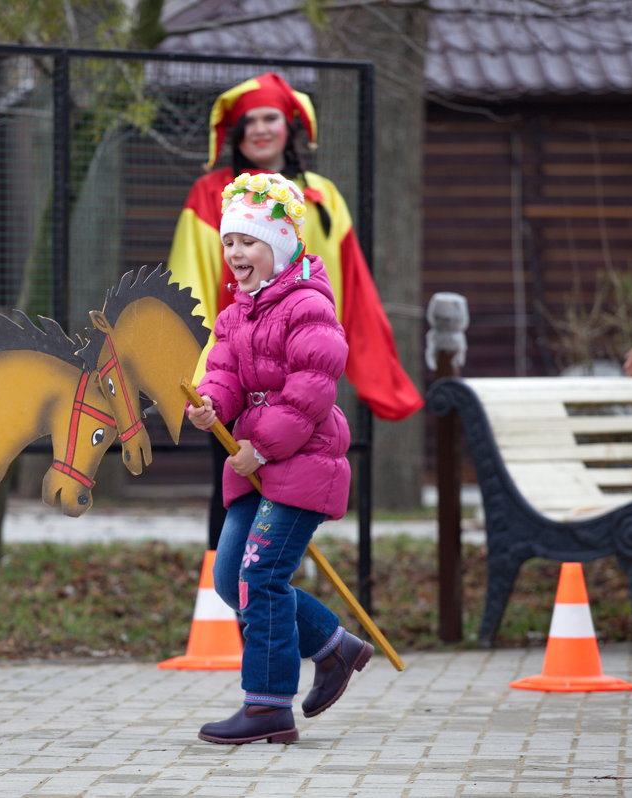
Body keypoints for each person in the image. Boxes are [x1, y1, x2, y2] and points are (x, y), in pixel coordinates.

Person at [167, 71, 423, 549]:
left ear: (290, 126)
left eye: (271, 118)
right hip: (233, 376)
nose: (260, 130)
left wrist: (354, 368)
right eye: (249, 122)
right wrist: (204, 380)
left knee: (289, 504)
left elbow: (349, 286)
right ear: (236, 133)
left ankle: (271, 607)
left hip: (299, 377)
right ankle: (231, 612)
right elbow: (190, 284)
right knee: (232, 500)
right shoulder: (209, 195)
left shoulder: (322, 198)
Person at [186, 172, 372, 745]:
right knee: (228, 577)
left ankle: (267, 706)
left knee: (260, 577)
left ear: (282, 243)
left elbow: (314, 387)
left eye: (248, 240)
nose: (235, 253)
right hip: (256, 462)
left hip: (303, 462)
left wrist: (260, 445)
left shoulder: (308, 306)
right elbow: (223, 376)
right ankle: (333, 647)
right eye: (229, 242)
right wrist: (210, 408)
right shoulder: (234, 315)